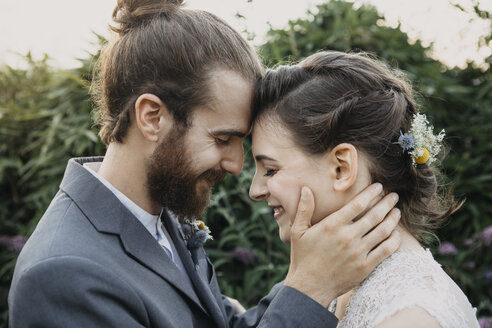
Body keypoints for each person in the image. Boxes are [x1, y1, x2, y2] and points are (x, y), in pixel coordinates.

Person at [8, 1, 401, 327]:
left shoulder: (162, 216)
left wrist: (312, 280)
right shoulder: (65, 276)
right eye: (222, 139)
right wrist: (309, 288)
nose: (235, 165)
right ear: (152, 117)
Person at [249, 50, 480, 328]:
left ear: (341, 168)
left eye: (271, 169)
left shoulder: (410, 317)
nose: (255, 190)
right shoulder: (337, 282)